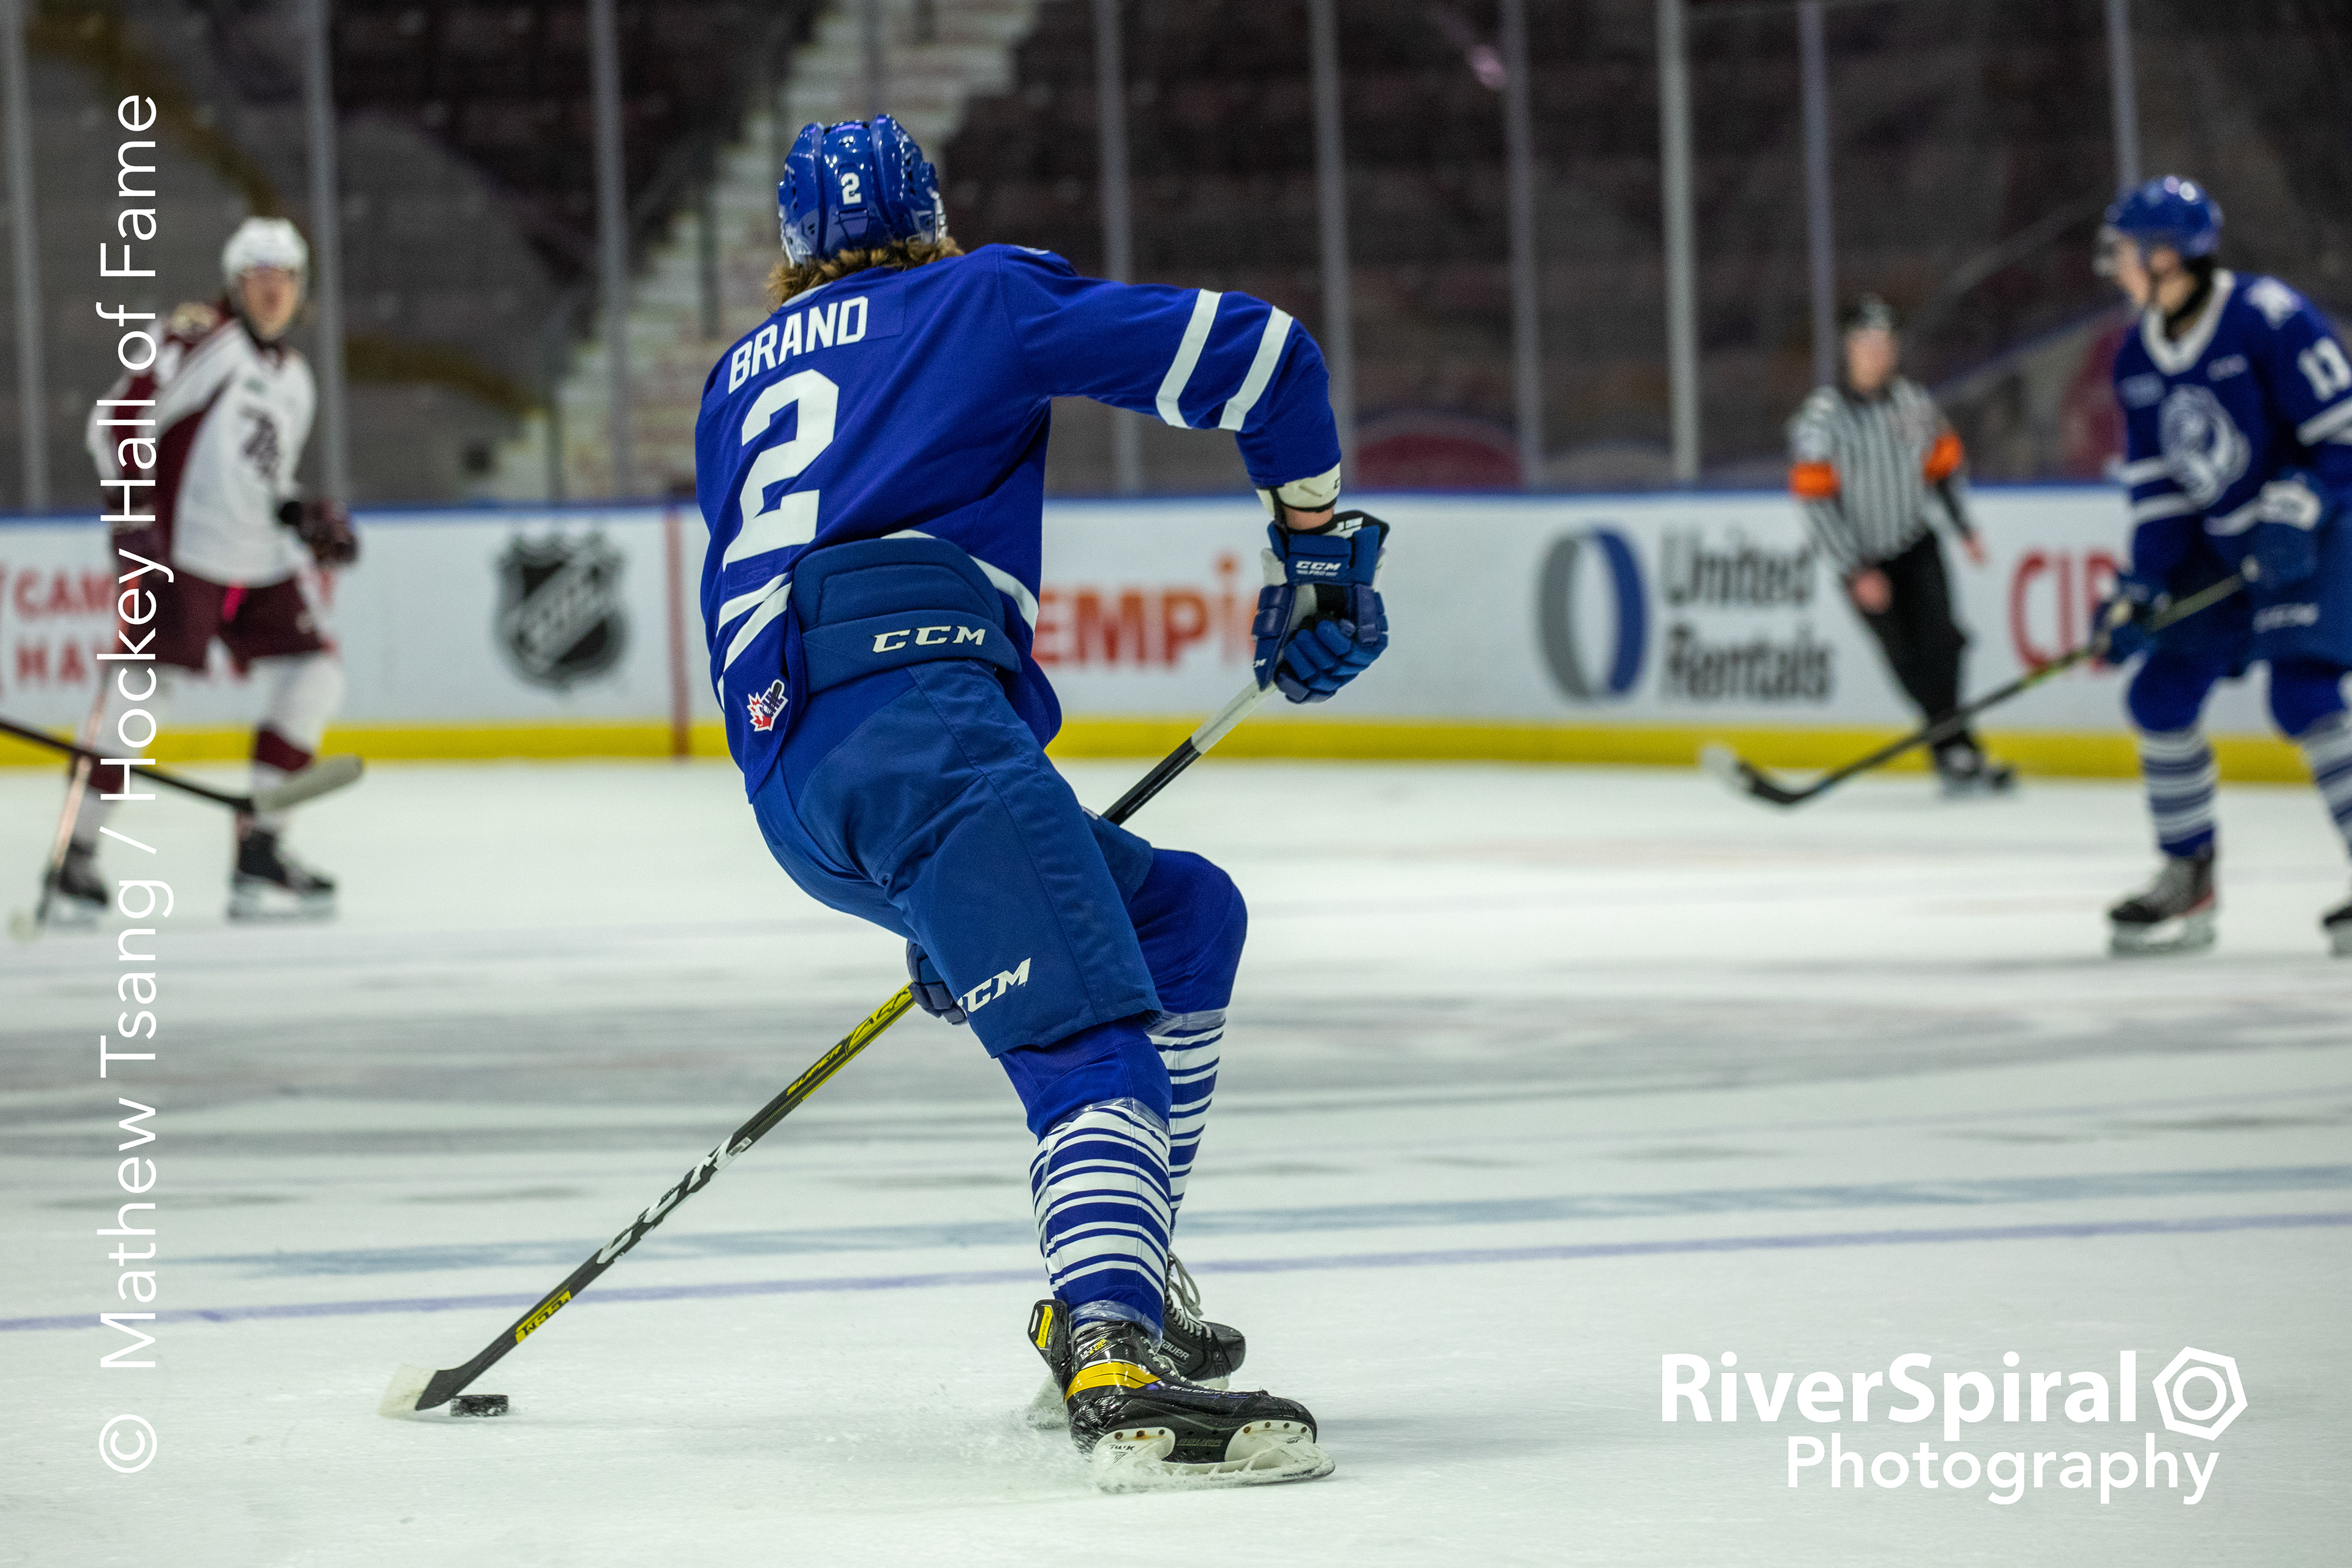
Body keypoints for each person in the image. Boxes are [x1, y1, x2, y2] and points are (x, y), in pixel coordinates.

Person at [692, 117, 1385, 1485]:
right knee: (1093, 1033)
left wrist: (930, 879)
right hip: (920, 719)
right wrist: (1315, 550)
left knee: (1183, 917)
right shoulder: (978, 294)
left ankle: (1123, 1275)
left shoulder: (730, 380)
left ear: (787, 251)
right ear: (933, 212)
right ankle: (1113, 1348)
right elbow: (1265, 358)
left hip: (795, 778)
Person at [58, 217, 357, 924]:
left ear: (301, 289)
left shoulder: (297, 380)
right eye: (259, 279)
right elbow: (114, 425)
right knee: (140, 701)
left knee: (315, 678)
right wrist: (134, 527)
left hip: (257, 562)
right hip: (182, 555)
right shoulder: (204, 337)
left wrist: (302, 516)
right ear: (235, 283)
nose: (272, 292)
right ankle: (77, 855)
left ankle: (260, 849)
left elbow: (263, 479)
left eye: (284, 279)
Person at [2093, 175, 2352, 957]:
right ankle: (2190, 877)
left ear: (2168, 257)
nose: (2117, 266)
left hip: (2324, 534)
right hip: (2232, 549)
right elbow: (2161, 491)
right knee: (2161, 692)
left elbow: (2344, 435)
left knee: (2303, 695)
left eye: (2127, 251)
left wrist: (2303, 501)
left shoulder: (2269, 318)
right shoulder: (2139, 353)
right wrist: (2143, 586)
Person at [1788, 295, 2013, 795]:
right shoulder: (1822, 419)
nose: (1876, 352)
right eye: (1865, 342)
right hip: (1864, 559)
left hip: (1915, 542)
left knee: (1947, 643)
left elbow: (1942, 470)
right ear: (1847, 348)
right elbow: (1815, 504)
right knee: (1908, 656)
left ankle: (1954, 749)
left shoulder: (1912, 404)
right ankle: (1956, 748)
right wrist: (1853, 570)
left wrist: (1964, 527)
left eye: (1884, 342)